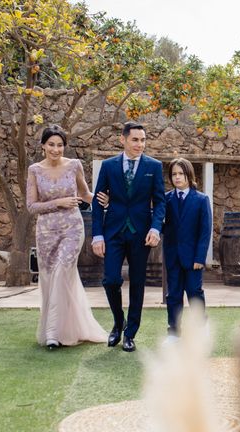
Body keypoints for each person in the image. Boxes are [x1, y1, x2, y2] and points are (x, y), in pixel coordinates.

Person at [26, 125, 108, 349]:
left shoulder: (74, 166)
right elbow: (31, 206)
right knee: (51, 277)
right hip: (45, 231)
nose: (56, 149)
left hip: (72, 228)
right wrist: (58, 202)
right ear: (43, 146)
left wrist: (107, 203)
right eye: (51, 144)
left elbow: (84, 194)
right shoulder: (34, 170)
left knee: (63, 271)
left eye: (60, 145)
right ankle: (67, 327)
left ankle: (53, 333)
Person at [91, 121, 166, 352]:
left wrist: (155, 228)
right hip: (113, 232)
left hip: (141, 234)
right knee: (111, 279)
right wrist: (97, 235)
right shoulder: (108, 166)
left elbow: (160, 201)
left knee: (138, 283)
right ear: (122, 139)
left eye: (143, 140)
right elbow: (97, 201)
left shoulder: (154, 166)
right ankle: (118, 321)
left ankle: (130, 333)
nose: (140, 144)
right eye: (135, 139)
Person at [162, 157, 212, 341]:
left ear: (189, 175)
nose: (177, 177)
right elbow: (161, 225)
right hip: (172, 255)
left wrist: (200, 257)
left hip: (193, 258)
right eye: (174, 174)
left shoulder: (201, 200)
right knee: (173, 294)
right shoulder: (165, 199)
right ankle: (174, 331)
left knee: (194, 291)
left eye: (181, 173)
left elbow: (205, 231)